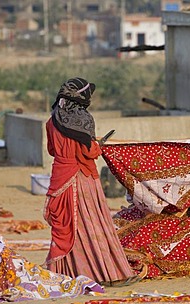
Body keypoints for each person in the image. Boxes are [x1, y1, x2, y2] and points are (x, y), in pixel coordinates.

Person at [43, 77, 138, 286]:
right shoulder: (83, 119)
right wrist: (97, 146)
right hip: (82, 177)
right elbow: (87, 152)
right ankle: (107, 274)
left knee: (68, 227)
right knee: (94, 225)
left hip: (60, 177)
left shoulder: (52, 121)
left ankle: (64, 274)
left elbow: (52, 150)